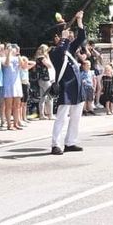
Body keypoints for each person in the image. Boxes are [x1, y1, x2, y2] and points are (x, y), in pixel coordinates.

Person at [49, 11, 87, 155]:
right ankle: (55, 144)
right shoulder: (54, 51)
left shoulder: (69, 47)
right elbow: (60, 52)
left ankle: (70, 142)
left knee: (76, 117)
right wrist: (63, 40)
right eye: (65, 33)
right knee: (61, 118)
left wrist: (79, 21)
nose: (69, 35)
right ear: (56, 37)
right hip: (66, 87)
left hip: (77, 87)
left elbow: (82, 37)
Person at [2, 44, 23, 130]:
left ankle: (16, 123)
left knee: (17, 105)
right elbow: (6, 64)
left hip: (17, 83)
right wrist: (9, 53)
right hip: (8, 83)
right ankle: (9, 124)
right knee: (9, 105)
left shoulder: (17, 58)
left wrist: (18, 54)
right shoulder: (3, 58)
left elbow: (22, 65)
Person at [34, 44, 55, 120]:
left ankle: (42, 115)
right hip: (45, 79)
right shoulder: (42, 58)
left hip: (40, 79)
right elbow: (50, 66)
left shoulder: (37, 58)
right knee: (50, 97)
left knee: (42, 98)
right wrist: (48, 56)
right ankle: (50, 114)